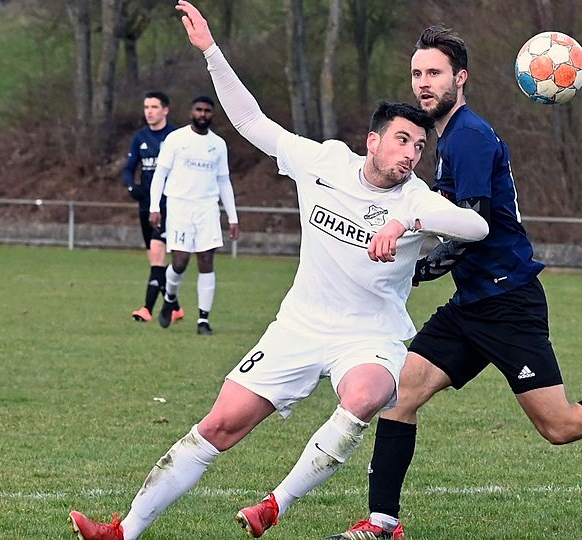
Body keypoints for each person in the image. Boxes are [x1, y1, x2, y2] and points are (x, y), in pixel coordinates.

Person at [67, 2, 488, 539]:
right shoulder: (323, 163)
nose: (411, 154)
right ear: (373, 141)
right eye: (402, 141)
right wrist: (212, 54)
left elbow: (476, 228)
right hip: (299, 326)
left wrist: (408, 216)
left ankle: (276, 504)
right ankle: (124, 531)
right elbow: (250, 122)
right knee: (218, 425)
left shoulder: (419, 199)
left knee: (366, 395)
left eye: (420, 146)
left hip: (369, 336)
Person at [329, 25, 582, 540]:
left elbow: (472, 227)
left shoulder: (469, 136)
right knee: (399, 396)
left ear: (460, 78)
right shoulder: (448, 137)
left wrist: (416, 268)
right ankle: (383, 523)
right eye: (417, 74)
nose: (423, 83)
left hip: (507, 301)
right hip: (473, 302)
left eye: (434, 73)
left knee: (560, 426)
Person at [148, 94, 240, 336]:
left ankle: (203, 320)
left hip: (207, 208)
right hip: (179, 206)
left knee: (206, 262)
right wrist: (154, 207)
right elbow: (160, 174)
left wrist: (233, 217)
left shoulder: (218, 144)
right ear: (191, 112)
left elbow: (224, 181)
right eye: (198, 110)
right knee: (179, 262)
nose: (202, 114)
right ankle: (169, 297)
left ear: (212, 114)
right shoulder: (176, 139)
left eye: (207, 111)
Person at [121, 91, 184, 324]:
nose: (149, 111)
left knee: (157, 255)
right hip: (146, 206)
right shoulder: (140, 137)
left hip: (169, 205)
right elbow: (129, 168)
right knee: (154, 259)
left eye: (154, 107)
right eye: (146, 106)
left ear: (165, 110)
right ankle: (175, 307)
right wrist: (131, 186)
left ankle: (147, 309)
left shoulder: (177, 136)